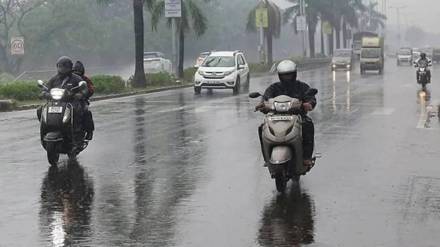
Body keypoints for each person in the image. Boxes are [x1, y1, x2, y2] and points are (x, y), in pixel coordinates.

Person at [256, 60, 316, 168]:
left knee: (308, 124)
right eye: (284, 75)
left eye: (289, 74)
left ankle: (306, 157)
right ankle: (267, 157)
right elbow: (265, 99)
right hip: (275, 117)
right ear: (279, 75)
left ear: (295, 74)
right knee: (262, 128)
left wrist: (309, 103)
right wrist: (262, 105)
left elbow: (311, 98)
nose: (287, 77)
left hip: (298, 116)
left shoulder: (301, 86)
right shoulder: (273, 88)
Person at [73, 61, 95, 140]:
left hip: (81, 101)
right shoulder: (68, 78)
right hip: (68, 101)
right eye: (75, 71)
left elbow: (91, 89)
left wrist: (84, 94)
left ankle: (89, 131)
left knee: (86, 112)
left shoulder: (85, 79)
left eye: (78, 71)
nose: (77, 72)